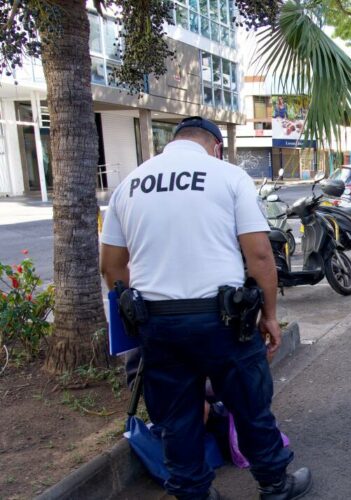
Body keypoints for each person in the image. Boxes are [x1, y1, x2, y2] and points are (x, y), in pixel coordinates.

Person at [100, 116, 311, 500]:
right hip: (223, 322)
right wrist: (270, 316)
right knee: (250, 406)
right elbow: (261, 255)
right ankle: (275, 486)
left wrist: (146, 310)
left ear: (174, 142)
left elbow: (112, 267)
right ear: (214, 146)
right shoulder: (228, 177)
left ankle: (193, 494)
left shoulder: (129, 184)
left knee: (176, 418)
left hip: (158, 325)